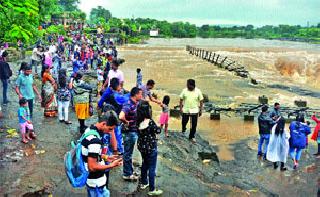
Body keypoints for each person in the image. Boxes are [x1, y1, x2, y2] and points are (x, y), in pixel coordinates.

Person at [81, 115, 123, 197]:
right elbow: (92, 167)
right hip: (96, 183)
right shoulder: (95, 141)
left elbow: (90, 153)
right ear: (103, 124)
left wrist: (105, 157)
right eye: (110, 129)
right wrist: (111, 165)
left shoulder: (90, 130)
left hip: (92, 181)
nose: (110, 132)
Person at [137, 101, 163, 195]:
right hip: (150, 147)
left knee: (145, 163)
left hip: (141, 146)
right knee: (152, 168)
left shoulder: (137, 121)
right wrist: (160, 124)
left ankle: (144, 182)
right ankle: (152, 189)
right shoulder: (150, 122)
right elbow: (158, 130)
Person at [119, 87, 142, 181]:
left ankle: (129, 171)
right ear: (135, 94)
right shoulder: (128, 104)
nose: (141, 96)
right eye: (140, 94)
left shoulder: (134, 103)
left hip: (132, 132)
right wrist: (126, 122)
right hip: (129, 133)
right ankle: (127, 174)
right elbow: (121, 116)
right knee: (128, 154)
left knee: (129, 153)